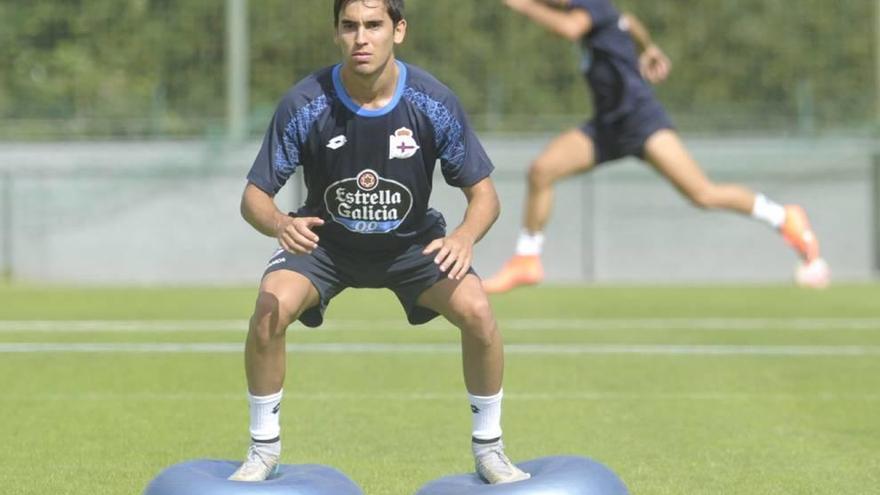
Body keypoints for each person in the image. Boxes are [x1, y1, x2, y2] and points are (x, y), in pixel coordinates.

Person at [227, 0, 530, 485]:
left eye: (373, 25)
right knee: (269, 311)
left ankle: (490, 449)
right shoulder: (305, 104)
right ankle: (263, 450)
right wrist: (281, 223)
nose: (361, 38)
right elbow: (254, 197)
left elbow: (485, 195)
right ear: (336, 34)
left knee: (479, 313)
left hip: (412, 247)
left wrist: (465, 236)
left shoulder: (433, 102)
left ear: (399, 30)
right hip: (324, 248)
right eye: (349, 27)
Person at [483, 0, 829, 293]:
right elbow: (629, 22)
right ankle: (527, 258)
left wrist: (525, 5)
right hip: (607, 125)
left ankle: (784, 217)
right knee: (542, 170)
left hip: (640, 120)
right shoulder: (601, 13)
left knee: (703, 194)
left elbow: (571, 29)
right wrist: (648, 48)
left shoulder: (591, 5)